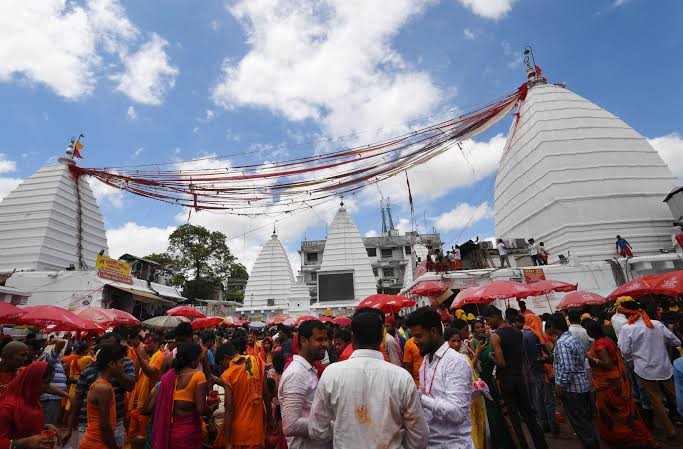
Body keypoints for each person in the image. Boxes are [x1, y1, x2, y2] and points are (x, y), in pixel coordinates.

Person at [309, 310, 428, 449]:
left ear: (352, 339)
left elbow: (317, 430)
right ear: (381, 339)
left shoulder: (331, 374)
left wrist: (343, 431)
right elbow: (419, 438)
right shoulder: (402, 378)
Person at [406, 307, 472, 448]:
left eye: (418, 336)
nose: (415, 341)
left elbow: (458, 413)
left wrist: (420, 398)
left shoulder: (455, 361)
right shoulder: (426, 360)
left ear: (434, 332)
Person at [583, 320, 655, 448]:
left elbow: (608, 364)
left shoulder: (600, 345)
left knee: (613, 411)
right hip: (613, 380)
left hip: (608, 383)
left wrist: (591, 357)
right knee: (619, 409)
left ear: (591, 332)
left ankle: (621, 436)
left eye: (588, 331)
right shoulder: (607, 340)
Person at [484, 305, 548, 449]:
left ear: (495, 317)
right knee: (530, 417)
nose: (487, 324)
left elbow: (501, 362)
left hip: (506, 380)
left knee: (515, 421)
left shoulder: (495, 335)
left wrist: (491, 356)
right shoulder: (518, 332)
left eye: (488, 320)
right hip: (520, 377)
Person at [618, 300, 681, 440]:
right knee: (676, 396)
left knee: (656, 401)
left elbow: (625, 351)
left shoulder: (627, 329)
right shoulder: (657, 324)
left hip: (645, 370)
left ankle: (671, 431)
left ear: (626, 313)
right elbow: (676, 341)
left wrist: (635, 356)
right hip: (664, 367)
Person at [69, 333, 136, 449]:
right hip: (93, 430)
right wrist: (69, 426)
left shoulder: (124, 364)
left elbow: (130, 386)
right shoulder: (95, 376)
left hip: (112, 425)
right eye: (103, 348)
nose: (106, 350)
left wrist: (117, 370)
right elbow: (104, 425)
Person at [545, 313, 599, 449]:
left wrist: (559, 387)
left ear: (553, 327)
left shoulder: (563, 343)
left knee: (581, 425)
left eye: (548, 327)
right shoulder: (572, 339)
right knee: (586, 423)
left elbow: (567, 369)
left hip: (573, 389)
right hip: (582, 386)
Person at [278, 320, 330, 449]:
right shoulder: (297, 374)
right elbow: (291, 425)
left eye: (326, 339)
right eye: (319, 339)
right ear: (303, 341)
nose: (325, 345)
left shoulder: (307, 369)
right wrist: (331, 425)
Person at [149, 342, 213, 449]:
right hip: (188, 436)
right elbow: (202, 409)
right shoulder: (198, 376)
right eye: (198, 358)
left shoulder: (167, 378)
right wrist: (211, 408)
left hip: (169, 434)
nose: (199, 361)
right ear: (193, 359)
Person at [213, 342, 269, 449]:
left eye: (222, 364)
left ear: (226, 358)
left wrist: (228, 441)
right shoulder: (254, 363)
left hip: (237, 432)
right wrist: (270, 419)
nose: (223, 367)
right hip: (256, 430)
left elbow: (229, 408)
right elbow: (265, 394)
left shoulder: (228, 374)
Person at [0, 361, 57, 449]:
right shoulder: (7, 407)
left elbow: (22, 429)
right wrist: (24, 442)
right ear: (32, 380)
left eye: (49, 383)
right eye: (45, 382)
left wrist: (45, 427)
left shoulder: (32, 401)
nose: (47, 387)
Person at [444, 328, 485, 449]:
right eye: (452, 341)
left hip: (471, 402)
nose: (456, 344)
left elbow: (471, 376)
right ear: (446, 342)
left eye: (458, 341)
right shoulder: (443, 360)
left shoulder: (464, 357)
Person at [80, 344, 126, 449]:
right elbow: (105, 425)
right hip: (96, 443)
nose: (123, 366)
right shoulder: (103, 388)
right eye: (121, 362)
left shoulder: (104, 385)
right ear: (111, 364)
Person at [524, 314, 559, 436]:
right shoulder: (533, 335)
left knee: (539, 399)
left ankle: (544, 424)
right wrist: (548, 363)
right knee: (548, 400)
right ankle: (553, 426)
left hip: (532, 371)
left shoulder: (525, 334)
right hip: (541, 370)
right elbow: (537, 357)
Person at [129, 333, 164, 440]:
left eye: (149, 343)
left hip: (148, 404)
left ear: (157, 344)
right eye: (145, 343)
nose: (145, 345)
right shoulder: (150, 357)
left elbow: (151, 373)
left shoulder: (159, 356)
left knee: (142, 436)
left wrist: (139, 357)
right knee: (134, 435)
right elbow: (136, 377)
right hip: (140, 403)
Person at [38, 337, 69, 426]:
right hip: (49, 398)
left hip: (53, 398)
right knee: (48, 426)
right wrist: (52, 342)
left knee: (50, 424)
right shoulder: (49, 358)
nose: (61, 351)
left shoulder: (55, 361)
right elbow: (61, 342)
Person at [66, 343, 93, 415]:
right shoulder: (88, 358)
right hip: (84, 381)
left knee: (72, 402)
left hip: (74, 383)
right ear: (85, 350)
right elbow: (95, 362)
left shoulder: (73, 361)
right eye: (88, 349)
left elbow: (71, 377)